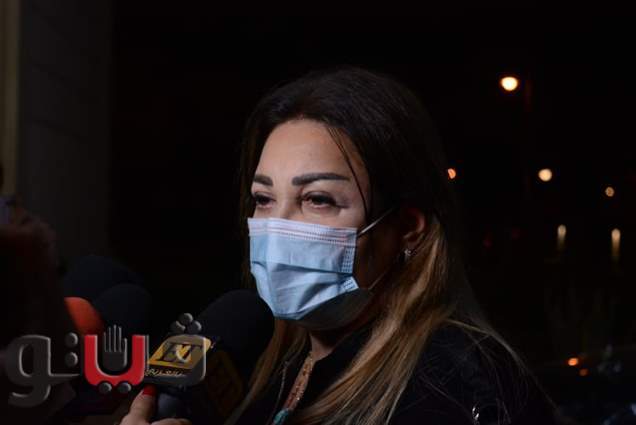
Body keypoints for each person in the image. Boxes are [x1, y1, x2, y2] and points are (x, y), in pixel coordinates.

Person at [121, 67, 557, 425]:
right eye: (264, 199)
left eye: (318, 199)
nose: (277, 228)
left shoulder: (454, 387)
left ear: (407, 228)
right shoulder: (269, 366)